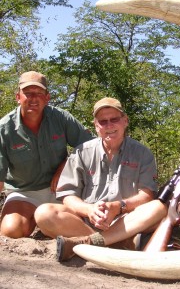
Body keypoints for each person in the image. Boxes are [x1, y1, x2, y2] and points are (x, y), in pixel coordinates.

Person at [34, 97, 167, 261]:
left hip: (127, 220)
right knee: (44, 213)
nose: (109, 126)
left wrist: (118, 207)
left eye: (114, 119)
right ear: (96, 126)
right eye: (103, 122)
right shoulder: (81, 152)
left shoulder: (143, 153)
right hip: (87, 222)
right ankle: (118, 243)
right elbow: (68, 196)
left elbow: (147, 195)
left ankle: (91, 242)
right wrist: (89, 210)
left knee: (159, 208)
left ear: (125, 121)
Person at [0, 71, 94, 238]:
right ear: (18, 97)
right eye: (27, 93)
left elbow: (90, 146)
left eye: (39, 93)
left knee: (90, 216)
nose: (33, 98)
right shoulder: (4, 129)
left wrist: (65, 165)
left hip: (63, 190)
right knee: (10, 231)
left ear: (47, 97)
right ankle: (38, 221)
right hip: (24, 192)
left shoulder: (61, 117)